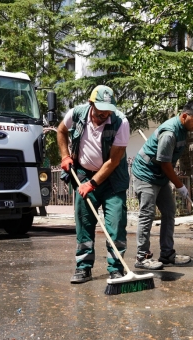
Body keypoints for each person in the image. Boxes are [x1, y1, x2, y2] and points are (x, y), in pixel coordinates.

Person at [57, 85, 130, 283]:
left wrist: (93, 183)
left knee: (116, 225)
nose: (103, 115)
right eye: (99, 112)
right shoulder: (76, 114)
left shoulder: (121, 122)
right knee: (84, 225)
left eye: (107, 112)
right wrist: (65, 156)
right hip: (82, 175)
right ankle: (83, 268)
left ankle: (116, 269)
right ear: (90, 104)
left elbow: (113, 161)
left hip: (112, 181)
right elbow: (61, 131)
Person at [131, 100, 193, 270]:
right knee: (147, 214)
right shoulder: (170, 132)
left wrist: (175, 181)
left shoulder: (184, 129)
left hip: (160, 175)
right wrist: (180, 185)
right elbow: (165, 164)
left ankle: (166, 254)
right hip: (145, 174)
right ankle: (142, 257)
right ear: (184, 116)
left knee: (169, 211)